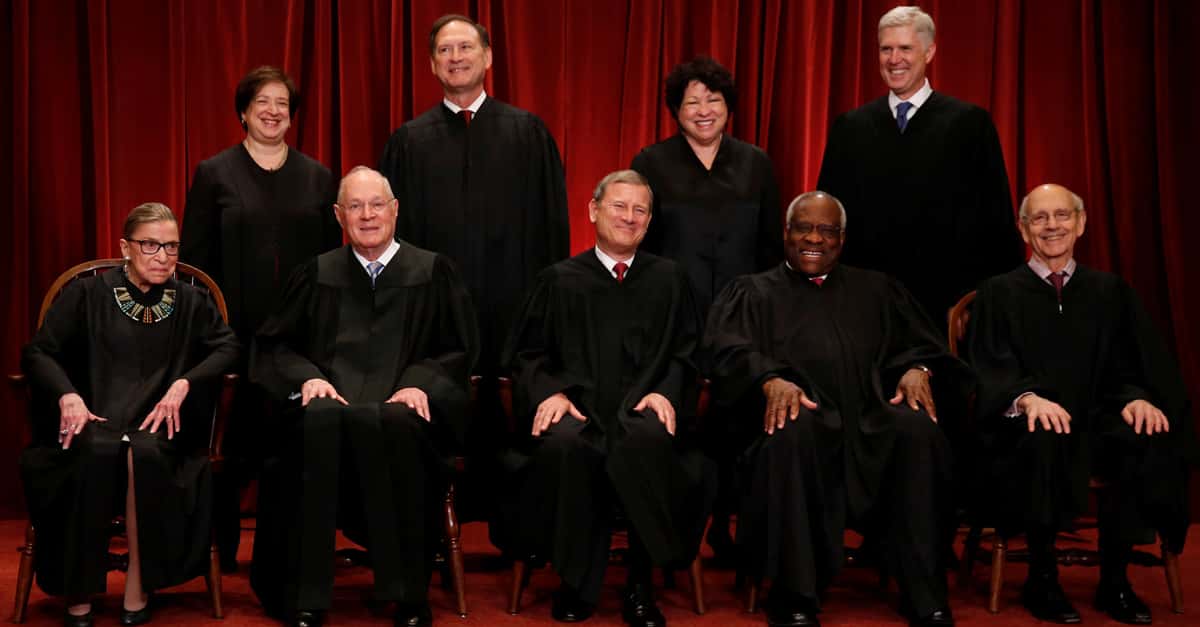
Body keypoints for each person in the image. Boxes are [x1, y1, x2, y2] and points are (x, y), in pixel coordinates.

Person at [704, 192, 968, 627]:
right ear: (786, 233)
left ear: (841, 239)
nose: (814, 238)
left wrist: (916, 369)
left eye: (826, 231)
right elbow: (726, 353)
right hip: (798, 418)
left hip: (870, 418)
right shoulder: (752, 292)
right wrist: (769, 379)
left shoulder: (877, 289)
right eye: (804, 228)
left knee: (918, 432)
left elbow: (923, 345)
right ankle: (793, 594)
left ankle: (923, 590)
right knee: (791, 431)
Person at [249, 167, 478, 627]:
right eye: (355, 206)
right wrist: (308, 378)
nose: (367, 215)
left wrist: (418, 382)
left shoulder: (432, 272)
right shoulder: (317, 274)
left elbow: (460, 348)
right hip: (330, 410)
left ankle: (408, 596)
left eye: (376, 204)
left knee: (398, 423)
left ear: (395, 210)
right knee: (315, 422)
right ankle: (306, 596)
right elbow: (276, 345)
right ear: (339, 216)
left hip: (402, 413)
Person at [967, 184, 1197, 625]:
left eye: (1062, 215)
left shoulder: (1110, 291)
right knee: (1041, 435)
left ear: (1081, 223)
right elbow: (988, 365)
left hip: (1097, 418)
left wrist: (1136, 398)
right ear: (1023, 229)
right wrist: (1026, 398)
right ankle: (1042, 579)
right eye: (1039, 218)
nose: (1052, 226)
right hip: (1027, 426)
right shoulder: (999, 292)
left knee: (1141, 435)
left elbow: (1131, 362)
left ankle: (1116, 582)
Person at [498, 170, 712, 627]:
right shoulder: (558, 280)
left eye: (639, 210)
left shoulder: (670, 280)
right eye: (619, 206)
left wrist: (665, 392)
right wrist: (551, 392)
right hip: (579, 409)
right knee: (565, 445)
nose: (629, 217)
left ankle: (640, 584)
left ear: (649, 221)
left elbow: (688, 353)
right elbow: (527, 354)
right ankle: (575, 582)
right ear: (594, 211)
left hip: (642, 407)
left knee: (647, 441)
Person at [378, 13, 568, 523]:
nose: (456, 58)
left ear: (488, 57)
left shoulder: (527, 132)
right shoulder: (409, 141)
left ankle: (517, 522)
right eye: (445, 50)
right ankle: (433, 520)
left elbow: (552, 224)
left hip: (514, 298)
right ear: (431, 65)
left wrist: (548, 302)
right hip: (435, 307)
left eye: (465, 47)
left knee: (511, 404)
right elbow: (391, 236)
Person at [20, 203, 239, 627]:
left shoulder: (191, 300)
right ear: (125, 247)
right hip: (95, 417)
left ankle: (138, 587)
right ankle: (78, 591)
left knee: (145, 453)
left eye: (171, 246)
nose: (163, 256)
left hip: (159, 426)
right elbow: (38, 352)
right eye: (150, 245)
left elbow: (228, 347)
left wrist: (187, 381)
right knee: (92, 451)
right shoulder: (87, 294)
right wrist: (67, 395)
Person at [181, 65, 342, 570]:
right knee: (229, 448)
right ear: (243, 113)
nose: (273, 112)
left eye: (282, 104)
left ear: (292, 116)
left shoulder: (318, 177)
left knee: (292, 446)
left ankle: (290, 553)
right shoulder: (214, 173)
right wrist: (209, 334)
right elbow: (195, 263)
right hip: (232, 334)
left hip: (298, 339)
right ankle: (219, 552)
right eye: (262, 103)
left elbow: (331, 262)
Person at [630, 58, 783, 560]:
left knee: (740, 419)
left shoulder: (756, 163)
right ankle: (675, 525)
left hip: (743, 317)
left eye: (713, 100)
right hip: (677, 313)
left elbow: (770, 246)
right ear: (675, 110)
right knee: (679, 417)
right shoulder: (651, 163)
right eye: (691, 101)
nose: (703, 110)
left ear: (728, 107)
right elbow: (641, 244)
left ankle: (727, 522)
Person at [816, 5, 1022, 326]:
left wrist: (978, 302)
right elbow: (828, 220)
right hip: (864, 309)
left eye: (905, 48)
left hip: (945, 308)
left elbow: (995, 222)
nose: (894, 59)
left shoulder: (970, 124)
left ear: (929, 52)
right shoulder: (850, 128)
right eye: (886, 49)